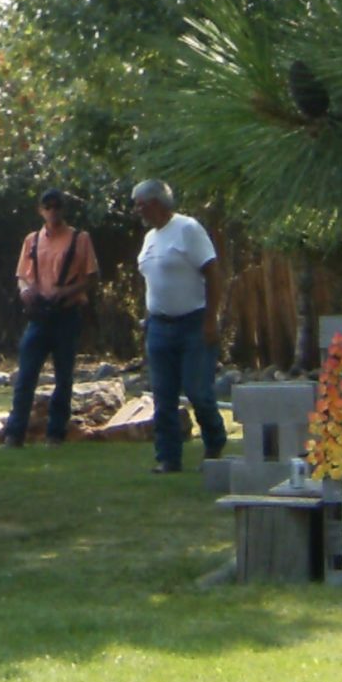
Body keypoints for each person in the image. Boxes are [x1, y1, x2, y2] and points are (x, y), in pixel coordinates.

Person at [132, 178, 226, 474]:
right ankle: (168, 458)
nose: (138, 211)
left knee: (199, 391)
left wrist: (211, 321)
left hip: (193, 324)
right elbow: (150, 278)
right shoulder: (150, 238)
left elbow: (213, 275)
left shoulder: (187, 229)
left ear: (156, 203)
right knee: (163, 395)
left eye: (140, 205)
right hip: (159, 326)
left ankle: (214, 442)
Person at [4, 189, 97, 447]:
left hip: (67, 314)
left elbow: (92, 277)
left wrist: (65, 292)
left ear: (63, 210)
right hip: (39, 316)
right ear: (41, 210)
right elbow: (22, 275)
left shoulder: (80, 239)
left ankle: (56, 434)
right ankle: (14, 434)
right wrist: (26, 292)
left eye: (57, 206)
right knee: (26, 376)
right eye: (48, 207)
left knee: (63, 377)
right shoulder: (32, 240)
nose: (53, 211)